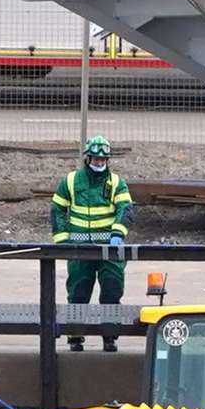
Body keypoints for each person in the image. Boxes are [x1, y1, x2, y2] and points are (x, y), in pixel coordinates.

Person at [51, 136, 133, 351]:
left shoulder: (116, 182)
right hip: (79, 246)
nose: (99, 163)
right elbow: (57, 209)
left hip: (109, 246)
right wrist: (62, 240)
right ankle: (75, 336)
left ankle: (109, 336)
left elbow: (125, 209)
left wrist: (118, 233)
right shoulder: (70, 181)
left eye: (103, 159)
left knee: (112, 290)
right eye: (96, 159)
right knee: (78, 291)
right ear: (88, 158)